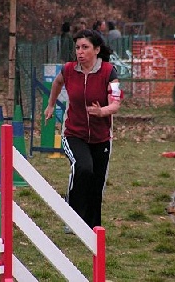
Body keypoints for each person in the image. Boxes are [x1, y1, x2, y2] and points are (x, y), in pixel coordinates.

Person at [44, 29, 123, 230]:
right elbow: (57, 82)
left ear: (96, 50)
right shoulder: (69, 70)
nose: (80, 52)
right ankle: (71, 216)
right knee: (83, 168)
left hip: (101, 137)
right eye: (77, 47)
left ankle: (92, 227)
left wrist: (102, 111)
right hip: (73, 133)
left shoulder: (108, 72)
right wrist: (51, 105)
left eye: (85, 47)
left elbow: (115, 104)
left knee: (96, 183)